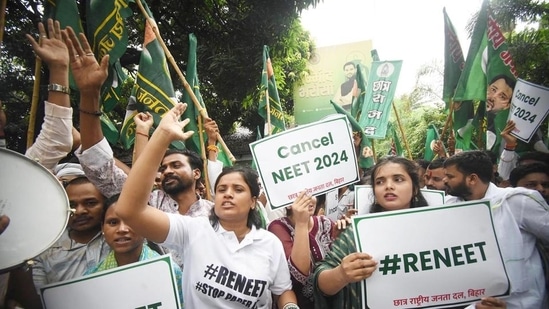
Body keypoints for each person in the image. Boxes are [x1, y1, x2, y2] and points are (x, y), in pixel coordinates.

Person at [115, 104, 298, 308]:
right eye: (221, 189)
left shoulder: (270, 243)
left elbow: (283, 291)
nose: (228, 194)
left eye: (238, 189)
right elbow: (129, 211)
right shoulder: (193, 230)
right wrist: (161, 136)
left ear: (254, 201)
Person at [312, 156, 429, 309]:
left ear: (414, 189)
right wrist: (341, 274)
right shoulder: (357, 233)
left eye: (398, 179)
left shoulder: (436, 230)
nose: (388, 186)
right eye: (380, 182)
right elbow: (321, 281)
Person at [444, 150, 549, 308]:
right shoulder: (448, 204)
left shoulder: (516, 201)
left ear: (472, 178)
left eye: (450, 176)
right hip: (471, 300)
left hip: (520, 301)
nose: (445, 180)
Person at [84, 194, 184, 307]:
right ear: (102, 228)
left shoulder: (170, 273)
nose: (122, 229)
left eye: (131, 222)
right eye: (113, 222)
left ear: (146, 225)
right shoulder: (91, 279)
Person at [268, 192, 349, 309]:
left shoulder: (325, 222)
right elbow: (301, 273)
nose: (309, 199)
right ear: (288, 204)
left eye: (312, 193)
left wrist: (341, 237)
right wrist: (302, 223)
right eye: (300, 195)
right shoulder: (278, 227)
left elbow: (336, 263)